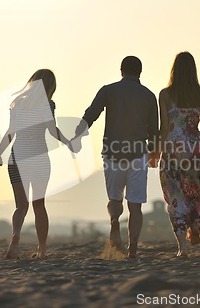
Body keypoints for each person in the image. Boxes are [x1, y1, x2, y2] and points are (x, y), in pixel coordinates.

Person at [74, 56, 159, 258]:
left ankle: (114, 223)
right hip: (138, 154)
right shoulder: (148, 95)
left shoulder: (108, 90)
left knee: (114, 197)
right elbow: (154, 129)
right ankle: (133, 249)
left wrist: (77, 134)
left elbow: (91, 113)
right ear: (140, 72)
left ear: (121, 71)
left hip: (113, 153)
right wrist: (154, 153)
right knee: (135, 204)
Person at [0, 69, 74, 259]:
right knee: (39, 205)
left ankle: (15, 239)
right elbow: (53, 131)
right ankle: (42, 250)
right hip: (38, 158)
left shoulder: (17, 104)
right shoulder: (47, 105)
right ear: (50, 86)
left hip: (16, 159)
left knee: (21, 206)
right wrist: (68, 142)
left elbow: (10, 133)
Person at [156, 52, 200, 257]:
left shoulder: (166, 94)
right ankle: (195, 224)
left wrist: (156, 151)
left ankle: (182, 248)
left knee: (175, 196)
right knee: (192, 191)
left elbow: (164, 128)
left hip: (172, 149)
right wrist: (193, 138)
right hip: (194, 149)